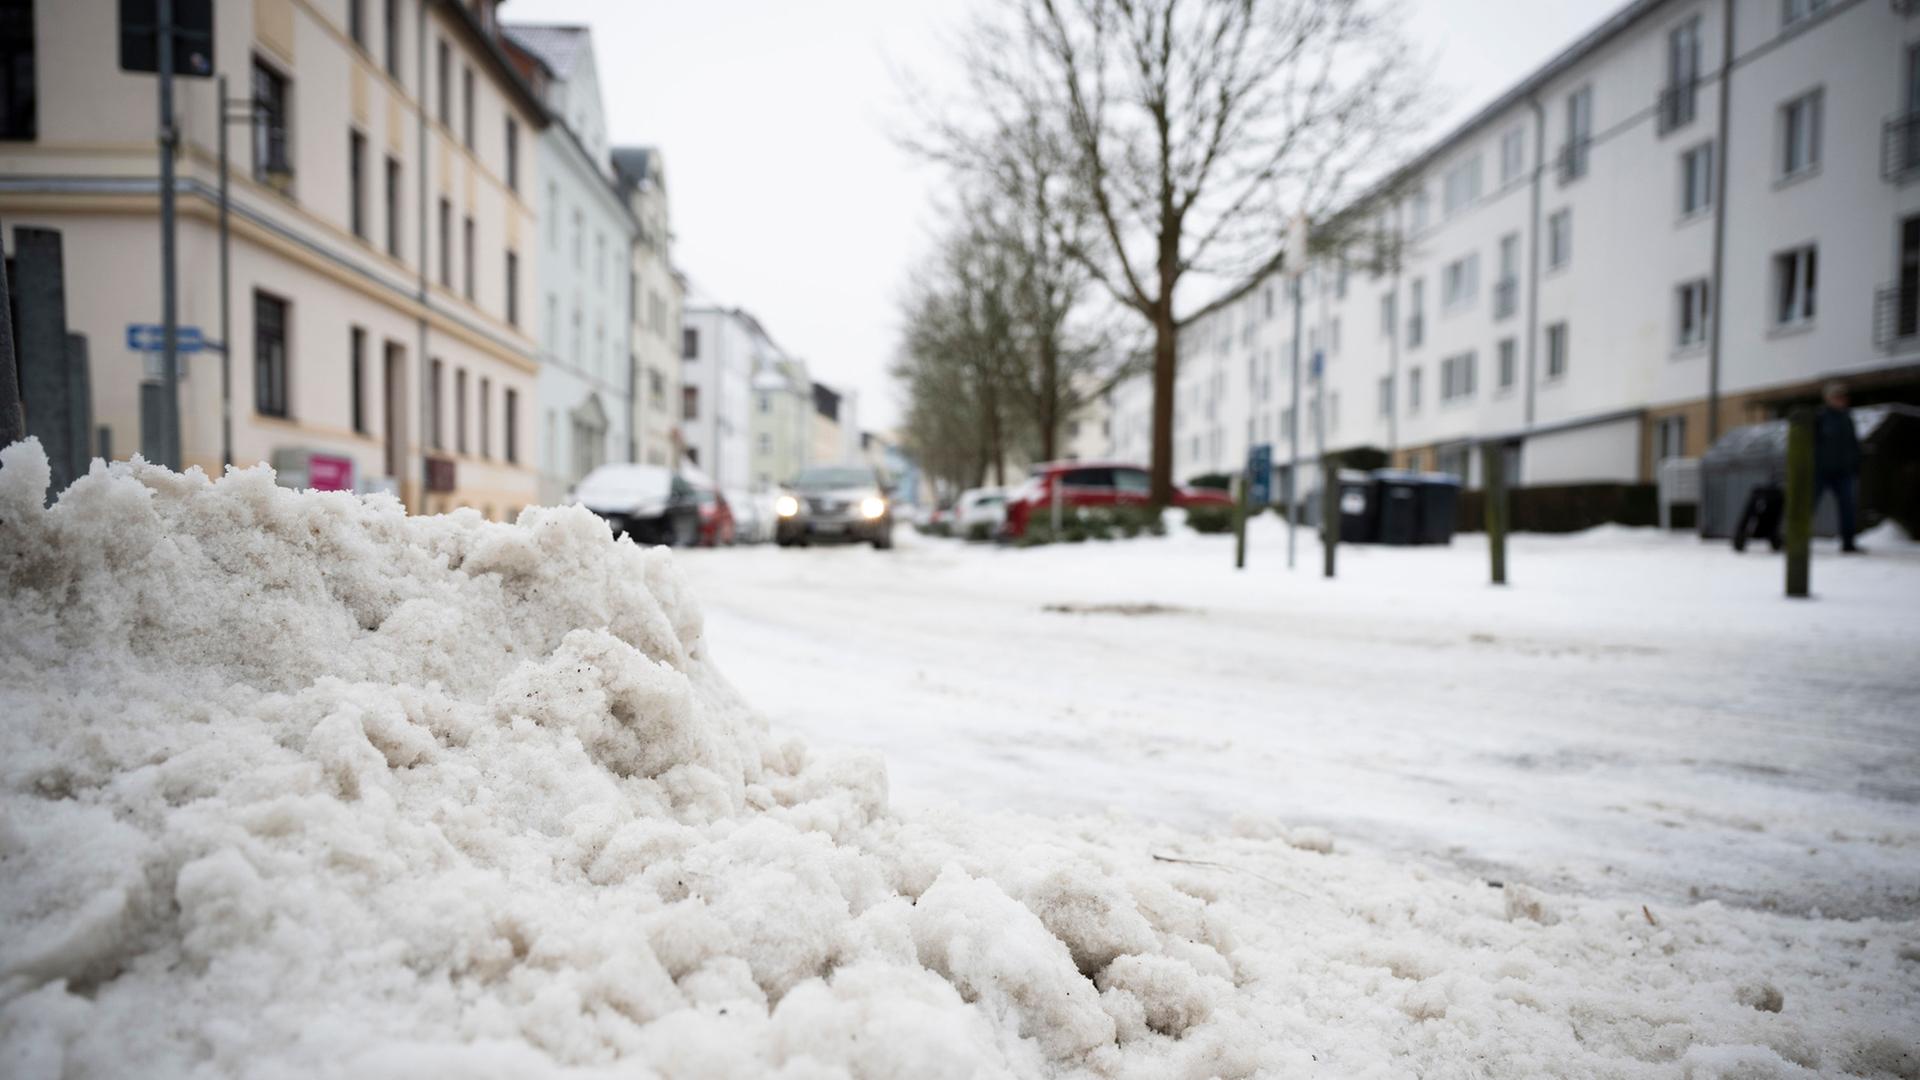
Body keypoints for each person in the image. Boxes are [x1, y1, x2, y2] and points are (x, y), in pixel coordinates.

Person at [1813, 381, 1864, 554]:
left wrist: (1856, 464)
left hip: (1843, 471)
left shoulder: (1847, 419)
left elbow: (1853, 444)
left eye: (1843, 397)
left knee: (1848, 507)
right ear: (1828, 399)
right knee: (1808, 505)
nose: (1842, 400)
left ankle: (1848, 542)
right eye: (1837, 397)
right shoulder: (1819, 418)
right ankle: (1796, 538)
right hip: (1820, 470)